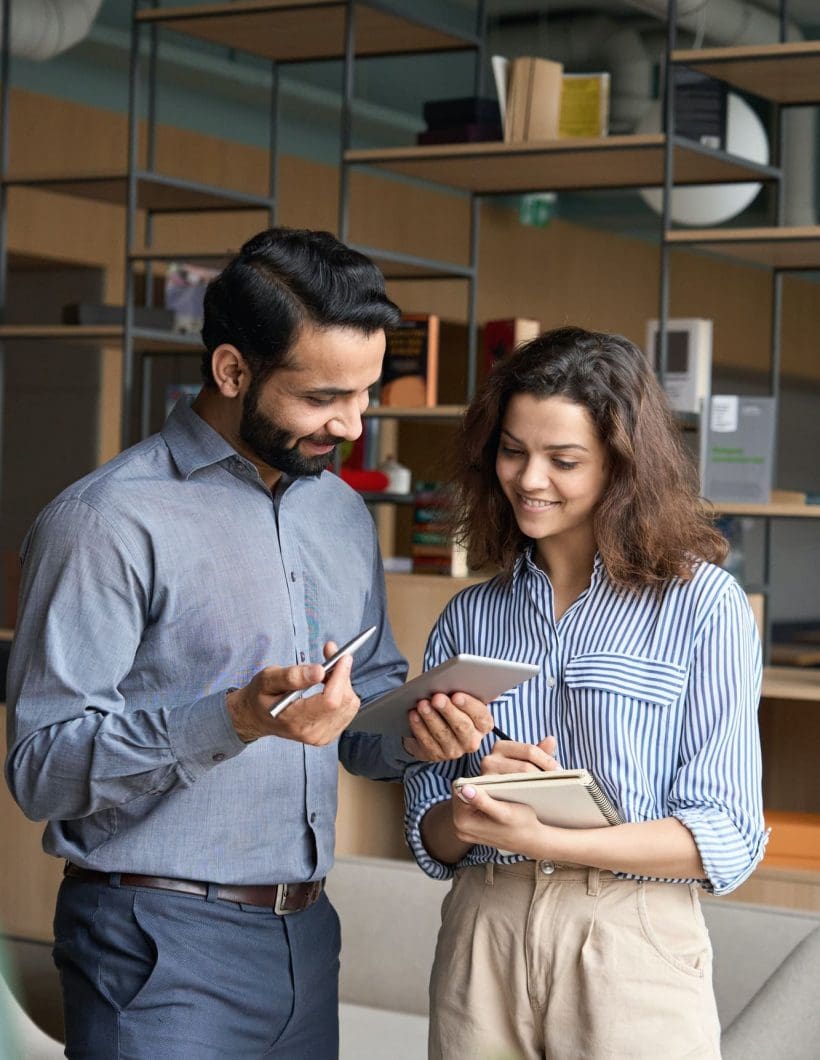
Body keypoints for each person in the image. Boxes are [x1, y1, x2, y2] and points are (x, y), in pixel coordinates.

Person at [4, 227, 493, 1059]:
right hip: (152, 942)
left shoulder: (339, 512)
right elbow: (41, 770)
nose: (352, 423)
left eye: (365, 393)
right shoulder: (105, 521)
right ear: (232, 371)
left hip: (307, 935)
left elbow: (362, 723)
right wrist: (232, 718)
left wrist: (424, 733)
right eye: (323, 396)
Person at [403, 326, 768, 1060]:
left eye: (563, 460)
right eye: (513, 451)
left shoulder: (704, 607)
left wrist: (549, 838)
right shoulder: (469, 617)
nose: (529, 479)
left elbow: (725, 834)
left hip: (631, 938)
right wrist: (469, 809)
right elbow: (429, 834)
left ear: (623, 467)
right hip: (485, 931)